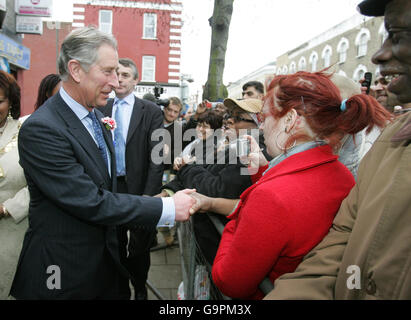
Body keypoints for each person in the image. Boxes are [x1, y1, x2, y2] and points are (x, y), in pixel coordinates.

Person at [10, 26, 195, 300]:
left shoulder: (96, 116)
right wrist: (166, 207)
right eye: (107, 71)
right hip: (62, 272)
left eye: (118, 73)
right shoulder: (42, 129)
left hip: (105, 264)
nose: (115, 82)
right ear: (76, 70)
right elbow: (91, 200)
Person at [189, 70, 391, 300]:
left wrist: (240, 216)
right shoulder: (343, 176)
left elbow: (229, 282)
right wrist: (265, 174)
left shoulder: (272, 197)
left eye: (265, 118)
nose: (262, 128)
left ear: (289, 119)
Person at [264, 0, 411, 299]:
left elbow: (231, 278)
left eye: (398, 35)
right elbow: (344, 238)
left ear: (294, 119)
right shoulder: (393, 140)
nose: (379, 53)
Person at [161, 98, 270, 266]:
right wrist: (169, 190)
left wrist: (186, 167)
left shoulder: (251, 151)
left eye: (239, 117)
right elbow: (205, 170)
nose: (230, 120)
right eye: (230, 115)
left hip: (218, 247)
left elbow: (216, 188)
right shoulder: (235, 146)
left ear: (259, 124)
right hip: (208, 241)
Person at [100, 57, 164, 300]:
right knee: (113, 243)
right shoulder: (101, 107)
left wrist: (149, 194)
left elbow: (157, 157)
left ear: (136, 80)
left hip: (139, 189)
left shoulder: (151, 111)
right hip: (111, 188)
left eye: (126, 74)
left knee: (139, 246)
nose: (120, 78)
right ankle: (120, 287)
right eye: (116, 73)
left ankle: (139, 285)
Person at [0, 71, 29, 300]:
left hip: (13, 231)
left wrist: (8, 208)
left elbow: (40, 181)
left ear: (11, 102)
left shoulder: (26, 132)